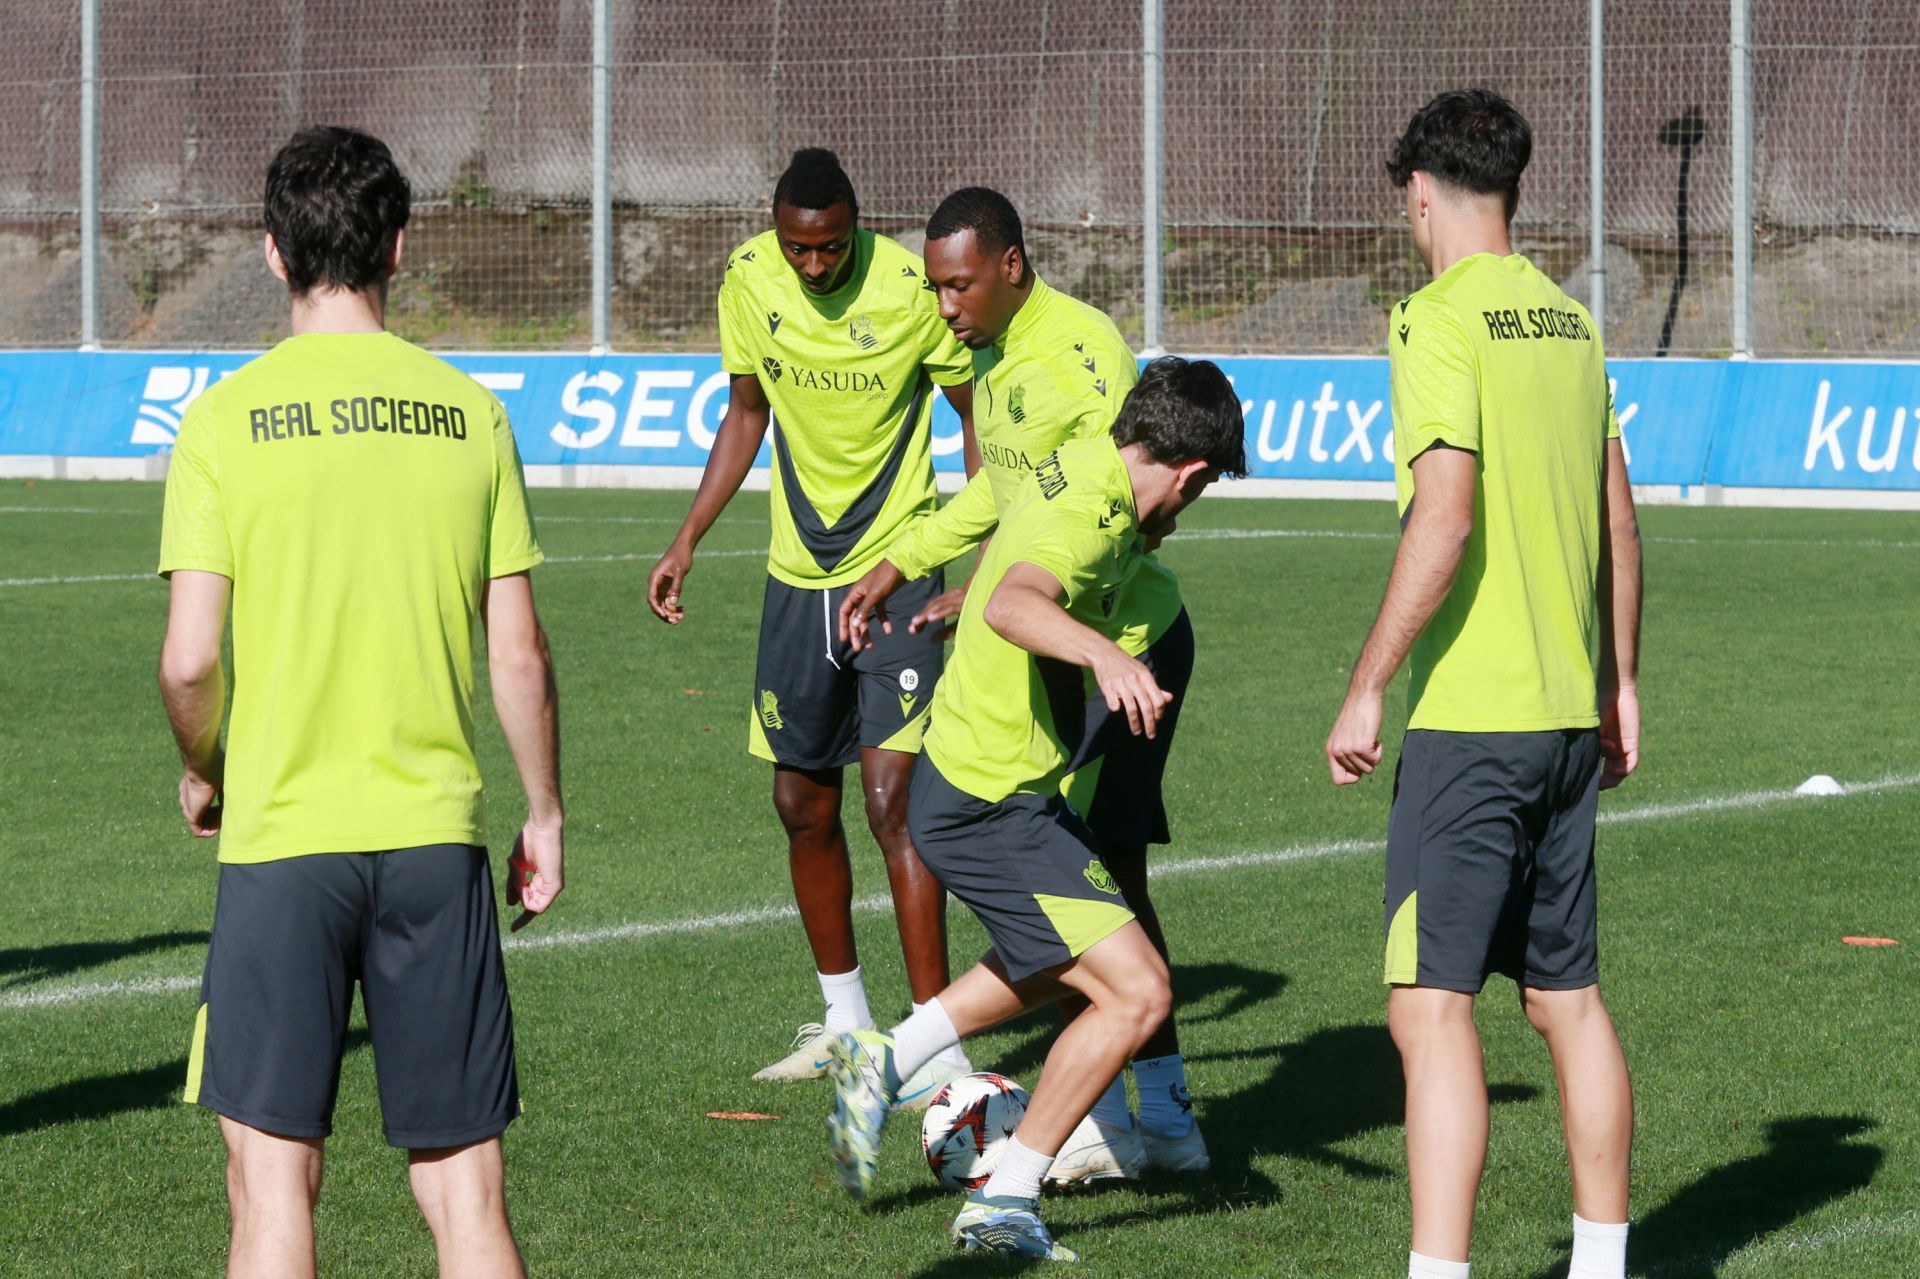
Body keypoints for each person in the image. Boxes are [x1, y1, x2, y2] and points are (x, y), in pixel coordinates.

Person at [156, 126, 563, 1279]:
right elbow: (519, 650)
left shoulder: (224, 418)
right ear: (397, 245)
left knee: (273, 1187)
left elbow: (190, 663)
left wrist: (206, 765)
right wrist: (544, 813)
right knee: (466, 1195)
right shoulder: (469, 411)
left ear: (274, 255)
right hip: (435, 837)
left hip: (283, 839)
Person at [824, 357, 1247, 1261]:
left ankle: (885, 1059)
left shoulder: (1086, 464)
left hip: (984, 783)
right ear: (1191, 473)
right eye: (1198, 496)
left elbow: (1002, 532)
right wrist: (1107, 656)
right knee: (1138, 991)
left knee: (1065, 961)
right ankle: (1006, 1193)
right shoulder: (1095, 517)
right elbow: (1016, 600)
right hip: (991, 801)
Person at [1323, 89, 1642, 1279]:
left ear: (1418, 191)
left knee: (1429, 1007)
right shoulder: (1573, 322)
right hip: (1566, 719)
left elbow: (1444, 517)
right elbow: (1618, 514)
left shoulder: (1433, 322)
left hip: (1470, 724)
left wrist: (1368, 684)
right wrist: (1620, 681)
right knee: (1568, 998)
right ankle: (1603, 1263)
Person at [838, 188, 1205, 1180]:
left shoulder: (1084, 354)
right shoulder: (986, 358)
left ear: (1010, 264)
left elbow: (1122, 499)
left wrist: (1024, 599)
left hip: (1114, 649)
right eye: (933, 286)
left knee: (1096, 877)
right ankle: (1136, 1118)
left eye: (957, 284)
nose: (944, 306)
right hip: (1051, 643)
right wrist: (907, 561)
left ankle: (1149, 1115)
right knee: (1080, 891)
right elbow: (1008, 497)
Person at [645, 148, 975, 1099]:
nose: (815, 266)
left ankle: (937, 1043)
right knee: (802, 803)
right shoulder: (751, 279)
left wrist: (969, 546)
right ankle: (847, 1027)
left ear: (857, 227)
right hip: (798, 577)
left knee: (892, 803)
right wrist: (687, 537)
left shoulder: (913, 288)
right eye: (800, 247)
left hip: (900, 571)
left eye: (831, 248)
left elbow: (971, 413)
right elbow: (746, 411)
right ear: (776, 228)